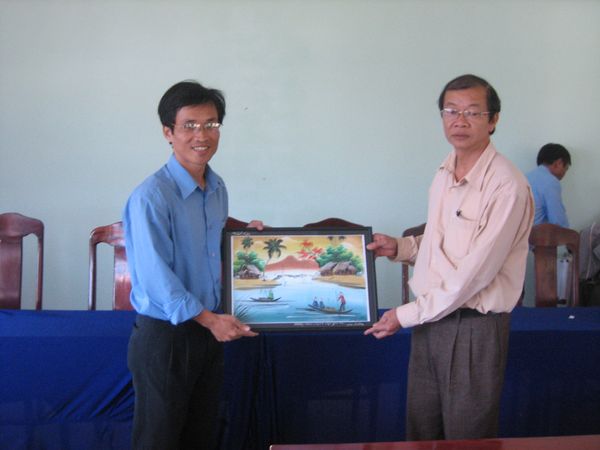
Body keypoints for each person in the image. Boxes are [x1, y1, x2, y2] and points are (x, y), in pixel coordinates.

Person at [365, 74, 533, 441]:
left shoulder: (506, 185)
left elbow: (475, 273)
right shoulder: (445, 170)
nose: (460, 120)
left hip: (473, 328)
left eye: (473, 112)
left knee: (466, 436)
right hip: (431, 321)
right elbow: (441, 241)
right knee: (422, 431)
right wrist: (400, 247)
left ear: (493, 120)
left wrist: (403, 315)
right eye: (451, 111)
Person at [123, 80, 262, 449]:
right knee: (159, 440)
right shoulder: (151, 196)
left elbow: (209, 243)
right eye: (190, 125)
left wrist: (246, 238)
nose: (202, 135)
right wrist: (210, 320)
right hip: (167, 338)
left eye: (211, 124)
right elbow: (156, 278)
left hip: (206, 333)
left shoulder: (216, 188)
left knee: (200, 437)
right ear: (168, 132)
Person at [526, 143, 571, 227]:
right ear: (558, 163)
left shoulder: (526, 177)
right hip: (534, 233)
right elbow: (558, 222)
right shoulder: (551, 182)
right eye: (566, 168)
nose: (565, 173)